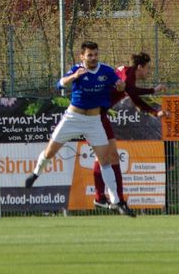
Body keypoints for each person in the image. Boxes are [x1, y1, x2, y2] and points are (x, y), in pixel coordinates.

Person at [24, 41, 134, 216]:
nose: (93, 58)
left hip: (94, 121)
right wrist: (74, 76)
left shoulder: (105, 70)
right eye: (89, 55)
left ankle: (117, 202)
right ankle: (36, 173)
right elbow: (59, 83)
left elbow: (119, 83)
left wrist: (121, 85)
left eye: (95, 54)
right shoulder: (77, 69)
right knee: (50, 151)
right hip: (73, 118)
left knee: (105, 161)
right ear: (82, 56)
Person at [93, 52, 167, 213]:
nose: (148, 72)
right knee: (108, 157)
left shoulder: (127, 73)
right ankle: (108, 199)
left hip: (99, 114)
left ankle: (109, 198)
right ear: (140, 67)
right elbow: (132, 92)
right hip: (95, 114)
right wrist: (153, 97)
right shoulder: (128, 75)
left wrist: (153, 104)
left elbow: (133, 94)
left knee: (107, 157)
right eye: (148, 69)